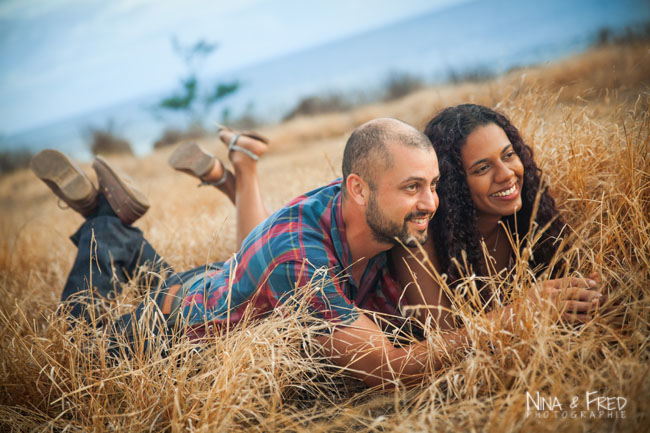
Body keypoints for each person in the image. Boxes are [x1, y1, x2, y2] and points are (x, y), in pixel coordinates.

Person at [32, 118, 445, 387]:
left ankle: (108, 220)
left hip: (214, 284)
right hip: (164, 332)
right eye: (413, 187)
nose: (431, 202)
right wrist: (504, 325)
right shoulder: (300, 260)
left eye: (434, 184)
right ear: (358, 188)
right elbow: (391, 370)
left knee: (214, 280)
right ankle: (103, 227)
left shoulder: (364, 213)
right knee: (74, 348)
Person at [391, 104, 604, 329]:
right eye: (482, 168)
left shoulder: (526, 219)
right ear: (453, 186)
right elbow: (440, 343)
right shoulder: (418, 240)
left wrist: (587, 301)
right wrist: (522, 311)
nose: (506, 174)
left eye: (509, 155)